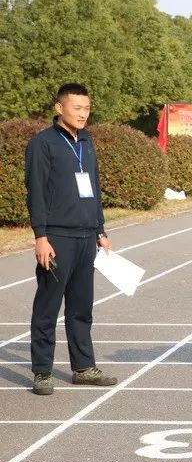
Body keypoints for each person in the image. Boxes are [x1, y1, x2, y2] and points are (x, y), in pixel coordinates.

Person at [24, 83, 118, 396]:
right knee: (48, 306)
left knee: (81, 307)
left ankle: (83, 367)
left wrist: (100, 229)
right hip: (57, 236)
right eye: (76, 108)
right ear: (59, 108)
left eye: (86, 108)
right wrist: (41, 236)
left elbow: (94, 186)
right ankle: (42, 371)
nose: (82, 114)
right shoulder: (43, 143)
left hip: (85, 236)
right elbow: (35, 192)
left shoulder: (87, 141)